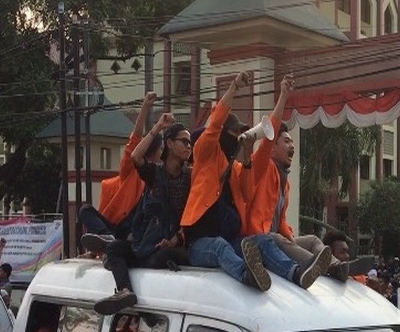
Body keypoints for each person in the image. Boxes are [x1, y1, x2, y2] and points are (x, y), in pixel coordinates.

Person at [181, 72, 327, 291]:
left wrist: (248, 155)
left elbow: (248, 191)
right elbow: (214, 125)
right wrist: (234, 88)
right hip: (199, 243)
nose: (240, 136)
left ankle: (296, 273)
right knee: (220, 247)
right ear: (224, 134)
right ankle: (248, 275)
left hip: (231, 240)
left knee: (263, 241)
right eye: (236, 131)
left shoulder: (236, 169)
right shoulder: (205, 156)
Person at [241, 76, 366, 282]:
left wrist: (293, 240)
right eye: (287, 141)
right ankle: (321, 267)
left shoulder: (285, 182)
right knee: (276, 238)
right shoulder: (261, 166)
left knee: (312, 239)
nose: (292, 146)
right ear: (271, 149)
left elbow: (281, 222)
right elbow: (270, 129)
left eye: (292, 141)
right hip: (258, 240)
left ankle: (336, 265)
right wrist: (283, 95)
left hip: (278, 240)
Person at [92, 113, 192, 315]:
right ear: (169, 144)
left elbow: (195, 216)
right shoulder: (156, 173)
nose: (189, 146)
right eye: (184, 141)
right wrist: (157, 127)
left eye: (190, 143)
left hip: (173, 246)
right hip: (147, 244)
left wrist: (174, 239)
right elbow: (136, 157)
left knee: (161, 256)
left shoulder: (191, 176)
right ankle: (125, 291)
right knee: (115, 249)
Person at [80, 91, 161, 249]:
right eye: (161, 150)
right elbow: (134, 139)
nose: (162, 154)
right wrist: (145, 107)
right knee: (85, 210)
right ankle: (106, 238)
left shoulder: (160, 175)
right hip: (116, 227)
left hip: (135, 231)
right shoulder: (131, 170)